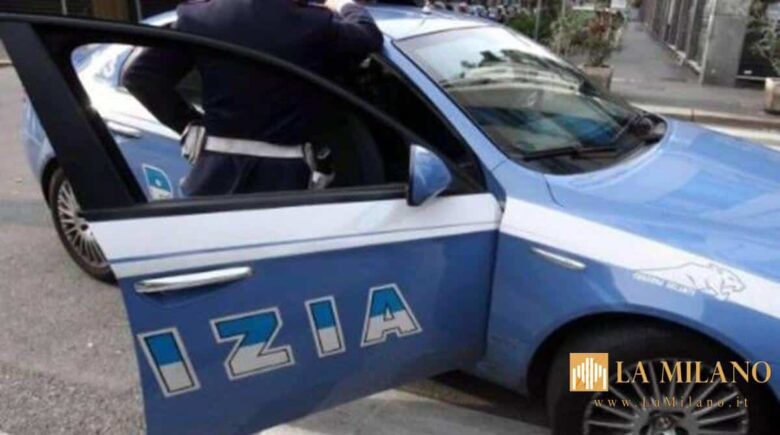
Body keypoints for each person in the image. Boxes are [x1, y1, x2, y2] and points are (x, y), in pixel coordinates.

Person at [123, 0, 383, 196]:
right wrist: (346, 5)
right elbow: (368, 37)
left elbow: (140, 76)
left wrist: (190, 124)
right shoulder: (312, 23)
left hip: (212, 181)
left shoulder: (200, 18)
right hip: (284, 185)